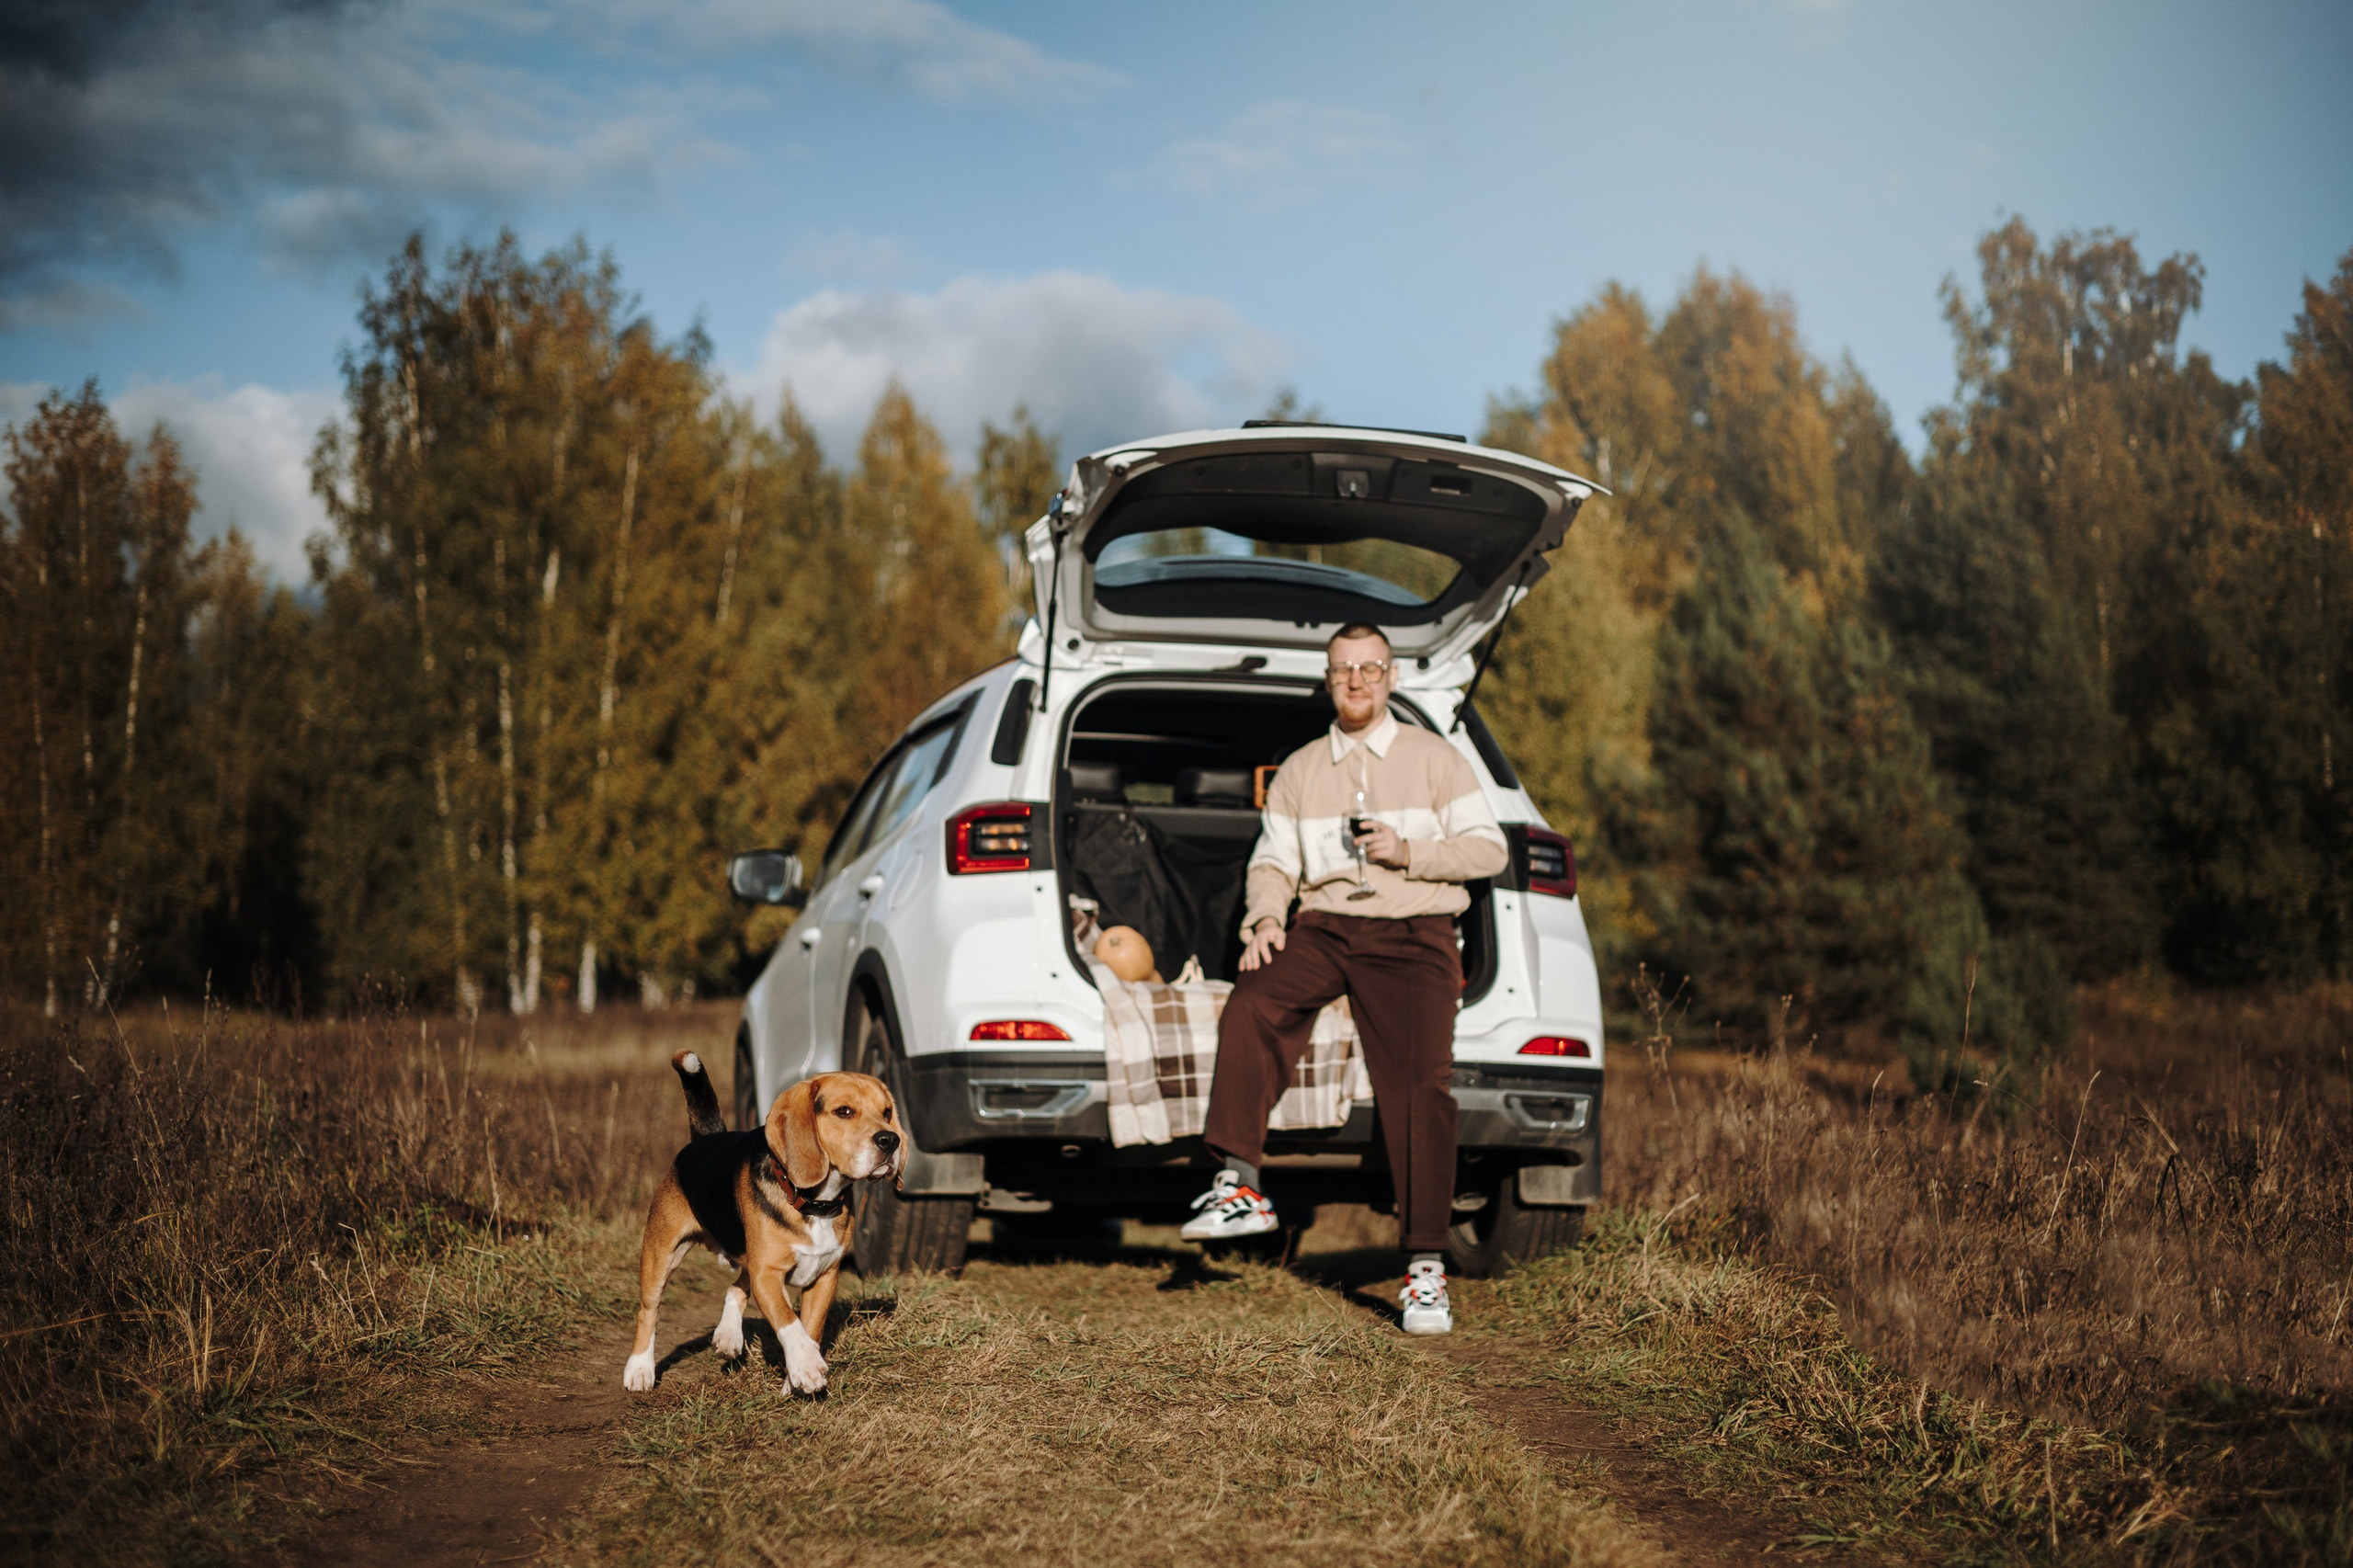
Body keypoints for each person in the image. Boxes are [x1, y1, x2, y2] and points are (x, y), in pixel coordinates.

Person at [1178, 622, 1507, 1335]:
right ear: (1328, 682)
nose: (1356, 681)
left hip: (1415, 929)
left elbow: (1489, 850)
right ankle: (1240, 1184)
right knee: (1253, 1004)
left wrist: (1407, 849)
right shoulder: (1300, 770)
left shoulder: (1435, 758)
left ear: (1390, 678)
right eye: (1341, 671)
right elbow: (1271, 864)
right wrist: (1265, 921)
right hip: (1323, 926)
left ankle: (1424, 1268)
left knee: (1421, 1081)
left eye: (1369, 669)